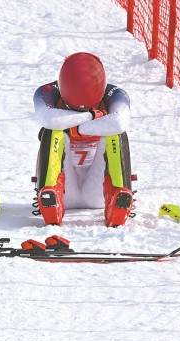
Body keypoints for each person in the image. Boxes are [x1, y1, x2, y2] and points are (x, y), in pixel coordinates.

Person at [33, 52, 134, 227]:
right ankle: (50, 196)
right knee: (53, 131)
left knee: (116, 133)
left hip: (98, 189)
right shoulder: (47, 92)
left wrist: (75, 124)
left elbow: (119, 122)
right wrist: (92, 116)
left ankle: (118, 197)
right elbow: (49, 119)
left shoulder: (115, 94)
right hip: (64, 188)